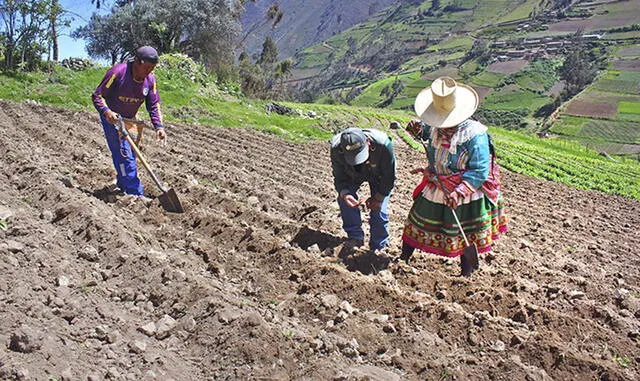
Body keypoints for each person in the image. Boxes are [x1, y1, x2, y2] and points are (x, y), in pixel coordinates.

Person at [400, 77, 507, 276]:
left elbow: (479, 170)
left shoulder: (475, 136)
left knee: (465, 231)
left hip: (467, 188)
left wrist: (459, 192)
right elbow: (427, 132)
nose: (440, 125)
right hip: (438, 182)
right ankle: (403, 259)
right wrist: (418, 129)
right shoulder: (434, 128)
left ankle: (466, 275)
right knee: (416, 220)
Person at [92, 45, 166, 198]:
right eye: (146, 67)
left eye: (152, 68)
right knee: (124, 155)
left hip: (131, 119)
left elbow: (153, 104)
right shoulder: (118, 72)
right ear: (137, 62)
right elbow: (97, 96)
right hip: (112, 119)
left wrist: (159, 126)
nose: (149, 71)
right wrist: (107, 112)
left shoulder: (150, 80)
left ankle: (122, 182)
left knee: (129, 154)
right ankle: (135, 194)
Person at [330, 127, 396, 252]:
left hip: (379, 174)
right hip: (352, 175)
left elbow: (389, 177)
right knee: (344, 201)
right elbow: (339, 177)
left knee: (379, 209)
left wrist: (379, 197)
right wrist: (345, 194)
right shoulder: (336, 149)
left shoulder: (383, 145)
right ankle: (355, 238)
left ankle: (379, 246)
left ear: (368, 143)